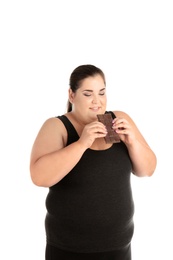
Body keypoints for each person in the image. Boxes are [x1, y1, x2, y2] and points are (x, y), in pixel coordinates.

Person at [30, 64, 157, 260]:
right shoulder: (58, 126)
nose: (97, 101)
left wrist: (133, 143)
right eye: (88, 94)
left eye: (102, 92)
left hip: (118, 246)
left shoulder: (116, 120)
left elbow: (147, 170)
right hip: (68, 249)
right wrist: (82, 144)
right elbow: (39, 177)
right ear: (72, 95)